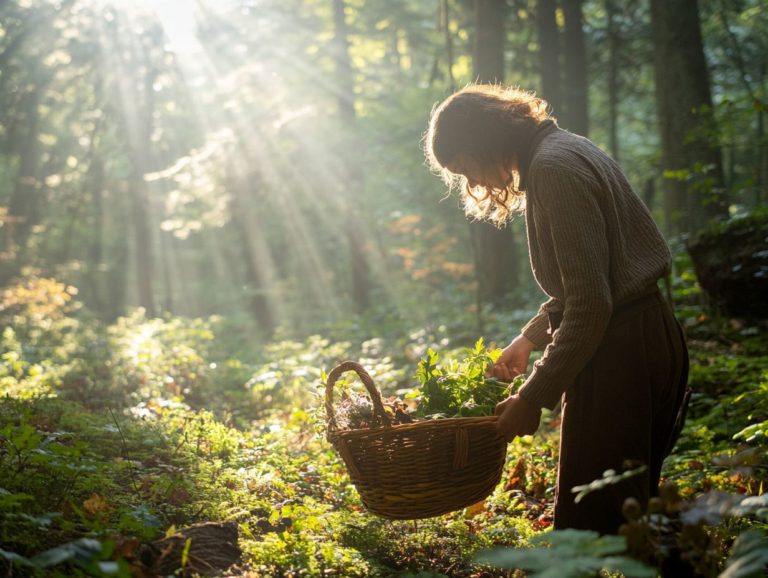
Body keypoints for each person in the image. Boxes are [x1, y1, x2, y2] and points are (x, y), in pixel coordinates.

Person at [424, 84, 690, 535]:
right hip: (643, 337)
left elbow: (590, 304)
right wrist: (530, 338)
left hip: (623, 356)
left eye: (465, 167)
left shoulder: (553, 169)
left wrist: (532, 397)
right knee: (631, 515)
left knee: (594, 529)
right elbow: (589, 284)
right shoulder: (564, 148)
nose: (472, 184)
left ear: (482, 140)